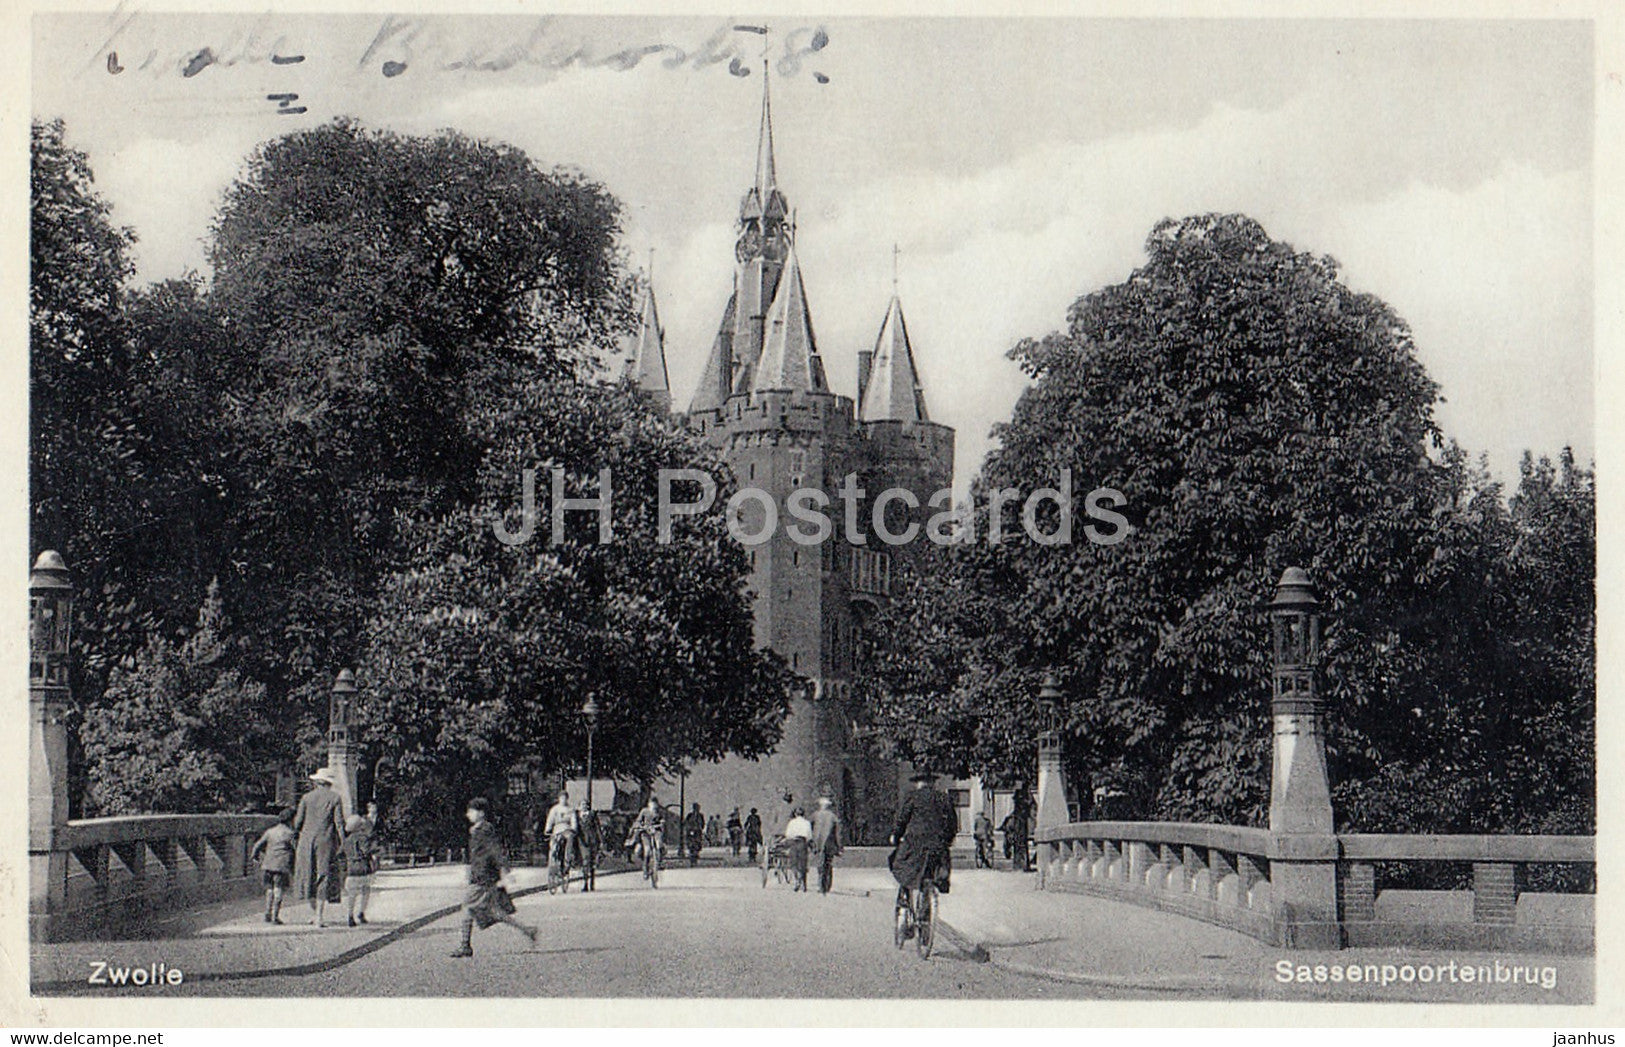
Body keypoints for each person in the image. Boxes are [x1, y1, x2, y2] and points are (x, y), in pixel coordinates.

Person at [450, 797, 537, 958]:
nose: (468, 814)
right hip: (481, 876)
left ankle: (465, 946)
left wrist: (504, 870)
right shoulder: (477, 830)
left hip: (483, 877)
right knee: (494, 912)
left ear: (481, 813)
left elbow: (495, 850)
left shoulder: (485, 830)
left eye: (471, 811)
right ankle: (528, 930)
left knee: (467, 908)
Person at [889, 770, 957, 934]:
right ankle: (925, 914)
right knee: (930, 876)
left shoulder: (913, 797)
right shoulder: (943, 798)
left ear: (918, 783)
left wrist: (896, 836)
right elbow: (953, 824)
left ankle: (905, 900)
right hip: (937, 846)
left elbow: (902, 819)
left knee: (899, 865)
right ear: (933, 783)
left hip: (915, 845)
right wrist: (946, 841)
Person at [291, 767, 346, 928]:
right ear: (329, 783)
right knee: (323, 875)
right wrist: (343, 843)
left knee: (308, 874)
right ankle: (319, 916)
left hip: (306, 841)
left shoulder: (306, 798)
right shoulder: (335, 798)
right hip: (325, 840)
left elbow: (297, 822)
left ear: (317, 782)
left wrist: (295, 836)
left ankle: (314, 913)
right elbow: (339, 824)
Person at [250, 807, 297, 924]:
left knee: (269, 889)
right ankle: (275, 916)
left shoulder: (270, 831)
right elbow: (296, 849)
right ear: (291, 820)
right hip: (281, 865)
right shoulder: (290, 834)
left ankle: (267, 911)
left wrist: (254, 856)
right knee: (278, 889)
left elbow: (258, 844)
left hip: (268, 864)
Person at [342, 812, 378, 926]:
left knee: (352, 894)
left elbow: (340, 854)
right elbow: (366, 851)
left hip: (350, 869)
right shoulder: (363, 838)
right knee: (365, 890)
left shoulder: (346, 840)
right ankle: (361, 913)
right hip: (363, 868)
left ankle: (350, 915)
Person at [543, 789, 576, 891]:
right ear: (559, 799)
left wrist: (573, 828)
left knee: (569, 838)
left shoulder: (570, 809)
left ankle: (567, 857)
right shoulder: (555, 809)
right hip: (557, 829)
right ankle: (554, 856)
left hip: (566, 828)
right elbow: (550, 820)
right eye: (561, 798)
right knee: (555, 842)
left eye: (565, 798)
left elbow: (573, 820)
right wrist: (547, 829)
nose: (563, 800)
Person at [810, 795, 842, 895]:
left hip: (818, 842)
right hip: (829, 843)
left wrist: (811, 841)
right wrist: (839, 846)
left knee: (820, 863)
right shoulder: (833, 817)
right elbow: (837, 832)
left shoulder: (815, 815)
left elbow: (810, 827)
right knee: (828, 863)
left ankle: (820, 884)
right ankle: (826, 885)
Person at [627, 797, 664, 880]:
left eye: (655, 803)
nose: (654, 805)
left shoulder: (659, 812)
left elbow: (662, 820)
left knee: (659, 845)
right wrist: (639, 826)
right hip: (645, 833)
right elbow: (638, 821)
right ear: (649, 804)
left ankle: (659, 861)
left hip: (656, 832)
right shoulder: (644, 811)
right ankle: (645, 870)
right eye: (652, 803)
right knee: (647, 851)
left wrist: (661, 824)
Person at [574, 796, 601, 892]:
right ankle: (585, 883)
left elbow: (597, 828)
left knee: (592, 862)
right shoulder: (577, 816)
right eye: (582, 805)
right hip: (582, 840)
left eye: (585, 805)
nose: (584, 807)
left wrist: (600, 840)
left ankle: (592, 882)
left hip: (592, 840)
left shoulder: (592, 815)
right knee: (585, 861)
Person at [782, 807, 813, 892]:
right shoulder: (807, 823)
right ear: (804, 814)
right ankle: (803, 882)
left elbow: (788, 834)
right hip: (802, 843)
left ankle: (797, 880)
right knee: (803, 863)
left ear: (795, 814)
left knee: (794, 863)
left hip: (794, 843)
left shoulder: (792, 822)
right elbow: (809, 836)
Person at [1000, 800, 1031, 873]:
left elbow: (1005, 827)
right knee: (1020, 849)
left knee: (1009, 845)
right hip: (1018, 836)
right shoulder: (1021, 818)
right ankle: (1022, 865)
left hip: (1014, 836)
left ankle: (1017, 863)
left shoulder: (1012, 818)